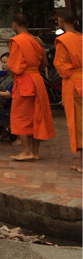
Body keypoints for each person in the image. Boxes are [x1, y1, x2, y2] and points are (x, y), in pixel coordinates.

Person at [7, 13, 55, 161]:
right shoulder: (36, 40)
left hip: (24, 81)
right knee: (37, 116)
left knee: (19, 116)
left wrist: (12, 71)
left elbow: (14, 67)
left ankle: (26, 151)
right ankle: (35, 152)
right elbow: (44, 63)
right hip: (37, 80)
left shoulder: (17, 41)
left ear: (15, 25)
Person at [54, 11, 82, 172]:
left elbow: (61, 67)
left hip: (74, 82)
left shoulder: (63, 40)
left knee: (79, 122)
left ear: (62, 22)